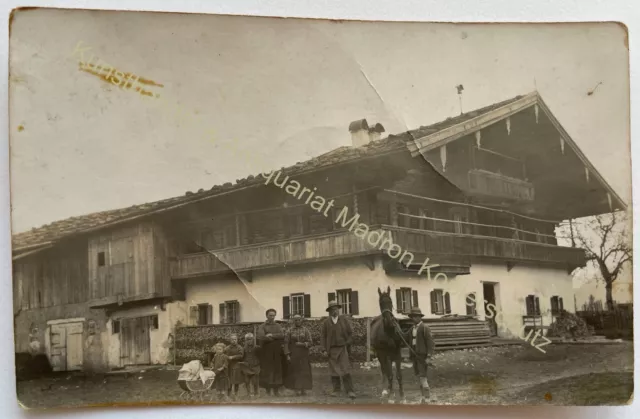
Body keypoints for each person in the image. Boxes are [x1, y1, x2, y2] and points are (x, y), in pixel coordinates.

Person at [320, 300, 356, 399]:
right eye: (332, 309)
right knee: (334, 371)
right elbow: (323, 337)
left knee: (345, 369)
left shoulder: (344, 320)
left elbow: (350, 333)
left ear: (338, 310)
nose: (334, 311)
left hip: (342, 348)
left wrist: (347, 342)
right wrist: (323, 349)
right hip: (331, 350)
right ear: (329, 311)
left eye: (336, 309)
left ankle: (350, 391)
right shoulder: (326, 323)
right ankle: (336, 390)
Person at [402, 307, 435, 404]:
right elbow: (404, 337)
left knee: (423, 376)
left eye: (416, 316)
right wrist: (396, 329)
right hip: (414, 356)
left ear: (420, 317)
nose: (414, 318)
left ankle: (427, 397)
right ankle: (423, 397)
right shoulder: (412, 328)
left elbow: (431, 343)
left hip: (422, 356)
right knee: (419, 376)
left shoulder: (425, 328)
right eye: (413, 317)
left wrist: (429, 357)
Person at [256, 308, 285, 396]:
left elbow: (282, 335)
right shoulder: (262, 326)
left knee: (277, 369)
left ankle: (276, 390)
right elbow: (261, 337)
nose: (272, 317)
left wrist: (271, 335)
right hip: (266, 351)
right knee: (267, 369)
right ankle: (268, 390)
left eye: (273, 315)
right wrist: (271, 338)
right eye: (270, 315)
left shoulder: (278, 326)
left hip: (276, 351)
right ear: (266, 316)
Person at [284, 314, 313, 396]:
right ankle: (296, 389)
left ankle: (303, 388)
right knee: (295, 371)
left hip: (304, 354)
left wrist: (303, 344)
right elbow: (286, 343)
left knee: (304, 371)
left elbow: (311, 342)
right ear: (293, 321)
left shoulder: (305, 330)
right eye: (296, 320)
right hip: (294, 354)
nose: (297, 321)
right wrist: (287, 355)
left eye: (299, 319)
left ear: (301, 320)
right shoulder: (289, 330)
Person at [239, 332, 261, 399]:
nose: (249, 341)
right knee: (247, 381)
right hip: (246, 366)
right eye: (247, 339)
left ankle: (256, 393)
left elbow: (260, 356)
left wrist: (258, 364)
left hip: (255, 366)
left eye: (250, 339)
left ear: (253, 339)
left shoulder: (257, 348)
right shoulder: (244, 348)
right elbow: (242, 356)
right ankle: (248, 393)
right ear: (245, 340)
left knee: (255, 381)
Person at [224, 334, 245, 400]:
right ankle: (228, 394)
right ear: (230, 340)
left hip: (236, 366)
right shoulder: (227, 348)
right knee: (229, 381)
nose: (234, 341)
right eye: (232, 339)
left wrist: (233, 357)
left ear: (237, 340)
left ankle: (236, 394)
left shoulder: (240, 347)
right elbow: (223, 355)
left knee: (236, 381)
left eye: (235, 339)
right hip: (229, 366)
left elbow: (241, 355)